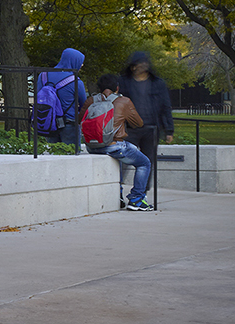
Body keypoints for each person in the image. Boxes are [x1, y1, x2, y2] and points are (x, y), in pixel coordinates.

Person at [84, 74, 153, 209]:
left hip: (92, 146)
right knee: (144, 163)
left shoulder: (90, 101)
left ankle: (118, 195)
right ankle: (136, 199)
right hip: (113, 146)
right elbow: (138, 123)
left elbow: (81, 119)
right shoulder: (123, 101)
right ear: (117, 87)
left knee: (121, 161)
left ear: (99, 88)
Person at [118, 50, 174, 170]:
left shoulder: (157, 83)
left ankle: (142, 188)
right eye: (139, 64)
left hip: (151, 128)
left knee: (147, 161)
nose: (142, 66)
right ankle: (119, 185)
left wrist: (169, 130)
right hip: (130, 129)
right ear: (133, 66)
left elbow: (166, 107)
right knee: (124, 158)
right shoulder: (124, 82)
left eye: (144, 63)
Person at [35, 48, 89, 148]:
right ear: (74, 61)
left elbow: (38, 97)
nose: (82, 65)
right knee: (71, 156)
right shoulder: (76, 81)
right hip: (70, 124)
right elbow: (84, 105)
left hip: (49, 122)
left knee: (53, 155)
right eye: (81, 62)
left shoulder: (43, 76)